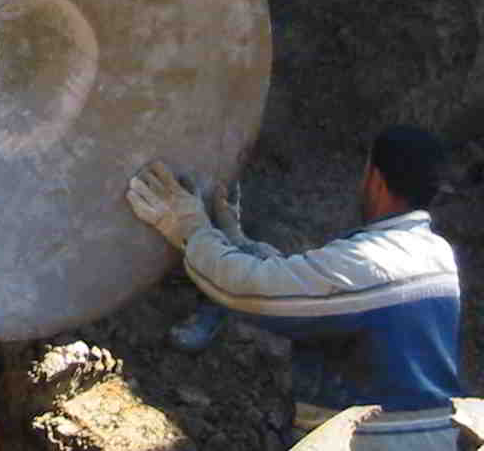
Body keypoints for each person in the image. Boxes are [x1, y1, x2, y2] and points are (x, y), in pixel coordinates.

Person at [126, 126, 461, 449]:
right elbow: (311, 286)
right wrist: (236, 240)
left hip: (371, 443)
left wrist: (188, 226)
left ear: (375, 179)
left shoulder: (372, 262)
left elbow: (248, 291)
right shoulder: (436, 256)